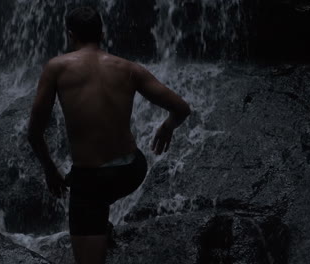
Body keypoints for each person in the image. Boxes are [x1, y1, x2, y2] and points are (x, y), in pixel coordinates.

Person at [27, 6, 191, 264]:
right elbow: (181, 108)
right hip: (131, 170)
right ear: (102, 33)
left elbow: (34, 132)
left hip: (91, 180)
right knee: (102, 193)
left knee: (89, 202)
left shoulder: (56, 67)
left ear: (70, 35)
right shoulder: (129, 68)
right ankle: (100, 222)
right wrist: (168, 125)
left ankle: (95, 227)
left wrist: (50, 170)